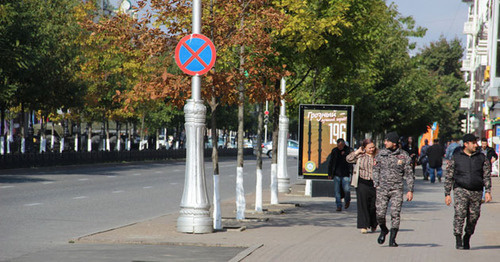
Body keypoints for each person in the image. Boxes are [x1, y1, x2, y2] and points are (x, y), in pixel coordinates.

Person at [445, 134, 492, 249]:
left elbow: (486, 175)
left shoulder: (481, 157)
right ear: (466, 144)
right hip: (461, 189)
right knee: (460, 214)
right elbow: (449, 176)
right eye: (473, 143)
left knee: (474, 216)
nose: (476, 145)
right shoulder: (456, 157)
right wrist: (447, 194)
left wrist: (488, 191)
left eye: (476, 142)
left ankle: (467, 236)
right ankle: (458, 238)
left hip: (476, 191)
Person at [373, 131, 414, 247]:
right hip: (382, 189)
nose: (385, 142)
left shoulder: (403, 156)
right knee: (379, 214)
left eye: (388, 141)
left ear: (394, 143)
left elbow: (409, 174)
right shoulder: (381, 154)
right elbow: (375, 169)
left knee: (395, 214)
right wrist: (376, 182)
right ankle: (384, 229)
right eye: (385, 140)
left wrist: (410, 190)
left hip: (397, 189)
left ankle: (392, 238)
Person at [347, 139, 378, 234]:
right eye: (369, 148)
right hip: (362, 182)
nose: (372, 149)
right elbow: (348, 159)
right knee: (363, 204)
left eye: (373, 147)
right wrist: (357, 151)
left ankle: (373, 223)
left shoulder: (379, 156)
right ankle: (364, 225)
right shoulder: (360, 156)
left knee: (374, 206)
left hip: (375, 183)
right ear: (364, 148)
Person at [328, 138, 352, 212]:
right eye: (338, 145)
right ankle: (339, 205)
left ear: (344, 144)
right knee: (337, 191)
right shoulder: (334, 151)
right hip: (336, 174)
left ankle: (347, 200)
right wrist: (330, 174)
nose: (340, 147)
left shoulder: (349, 150)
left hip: (346, 174)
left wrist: (345, 154)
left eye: (341, 145)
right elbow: (331, 162)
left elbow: (352, 159)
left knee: (347, 190)